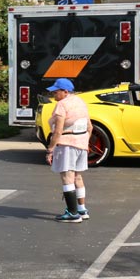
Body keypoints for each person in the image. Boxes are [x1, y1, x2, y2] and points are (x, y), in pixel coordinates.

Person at [44, 78, 91, 223]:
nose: (53, 94)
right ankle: (82, 209)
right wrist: (86, 142)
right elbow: (90, 127)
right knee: (77, 176)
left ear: (65, 91)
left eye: (55, 91)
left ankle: (72, 213)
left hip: (67, 143)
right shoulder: (80, 102)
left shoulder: (62, 105)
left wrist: (50, 150)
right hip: (82, 142)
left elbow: (58, 131)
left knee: (67, 177)